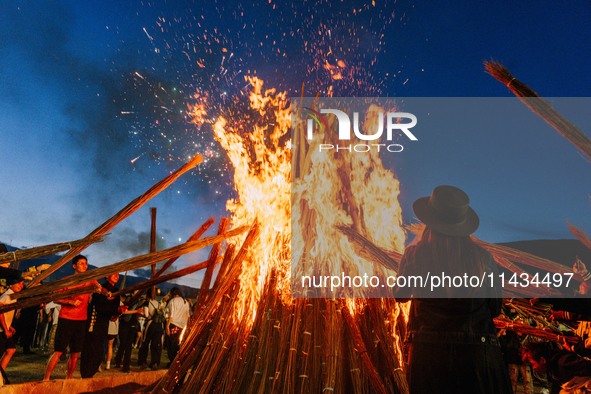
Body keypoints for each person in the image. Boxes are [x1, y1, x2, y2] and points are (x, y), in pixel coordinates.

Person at [394, 185, 512, 393]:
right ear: (463, 226)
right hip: (478, 355)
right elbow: (494, 308)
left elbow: (400, 295)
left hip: (430, 354)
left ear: (429, 222)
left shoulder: (415, 254)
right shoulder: (483, 258)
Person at [43, 255, 101, 380]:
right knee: (58, 351)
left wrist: (102, 290)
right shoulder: (67, 281)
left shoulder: (90, 280)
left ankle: (68, 378)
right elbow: (55, 298)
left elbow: (99, 288)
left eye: (86, 263)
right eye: (81, 263)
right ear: (74, 266)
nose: (84, 265)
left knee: (75, 353)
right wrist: (69, 302)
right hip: (66, 318)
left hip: (81, 320)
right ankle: (46, 378)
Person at [80, 272, 122, 378]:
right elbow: (99, 307)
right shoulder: (100, 289)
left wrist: (118, 311)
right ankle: (85, 374)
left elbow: (113, 313)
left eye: (118, 274)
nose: (116, 276)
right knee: (90, 348)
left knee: (99, 351)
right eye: (114, 273)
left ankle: (91, 373)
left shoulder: (117, 291)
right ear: (107, 275)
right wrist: (114, 310)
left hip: (104, 324)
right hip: (94, 321)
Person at [522, 341, 591, 394]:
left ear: (542, 360)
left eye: (533, 364)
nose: (533, 368)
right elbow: (556, 388)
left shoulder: (564, 362)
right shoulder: (551, 370)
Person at [0, 278, 25, 383]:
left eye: (22, 283)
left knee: (11, 350)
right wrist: (6, 329)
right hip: (1, 330)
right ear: (10, 285)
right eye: (18, 283)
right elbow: (0, 313)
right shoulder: (6, 296)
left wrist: (9, 326)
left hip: (5, 328)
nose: (21, 285)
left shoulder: (13, 296)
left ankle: (1, 376)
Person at [137, 293, 165, 370]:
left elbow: (146, 315)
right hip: (159, 325)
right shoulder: (158, 303)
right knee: (156, 344)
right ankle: (155, 362)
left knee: (145, 342)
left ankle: (142, 362)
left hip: (150, 324)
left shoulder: (147, 302)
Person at [165, 287, 191, 365]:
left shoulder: (172, 301)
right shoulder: (185, 302)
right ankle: (178, 361)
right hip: (182, 327)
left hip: (173, 325)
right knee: (178, 345)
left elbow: (171, 315)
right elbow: (188, 315)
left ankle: (172, 362)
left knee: (171, 345)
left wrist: (167, 326)